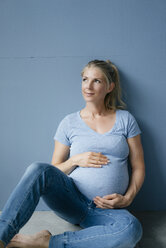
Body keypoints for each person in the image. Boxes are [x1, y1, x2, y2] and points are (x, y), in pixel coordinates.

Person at [0, 59, 145, 248]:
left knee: (131, 229)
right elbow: (53, 171)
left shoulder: (126, 120)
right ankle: (2, 236)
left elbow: (139, 166)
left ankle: (46, 242)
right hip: (72, 201)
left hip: (107, 210)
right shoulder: (69, 123)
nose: (88, 86)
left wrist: (127, 198)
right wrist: (76, 159)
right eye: (85, 79)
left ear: (110, 86)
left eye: (97, 81)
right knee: (38, 169)